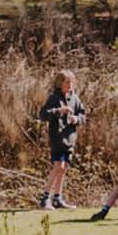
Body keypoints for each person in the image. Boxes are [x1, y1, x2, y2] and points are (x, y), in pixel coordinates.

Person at [37, 68, 87, 209]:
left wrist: (76, 119)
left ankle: (58, 198)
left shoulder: (75, 98)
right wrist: (59, 111)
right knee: (58, 166)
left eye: (71, 82)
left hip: (70, 138)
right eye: (66, 82)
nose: (69, 85)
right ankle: (45, 198)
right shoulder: (54, 98)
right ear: (60, 83)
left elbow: (83, 115)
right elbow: (43, 115)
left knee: (64, 168)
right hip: (57, 138)